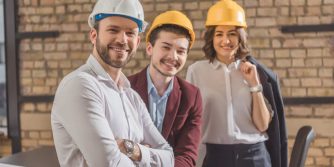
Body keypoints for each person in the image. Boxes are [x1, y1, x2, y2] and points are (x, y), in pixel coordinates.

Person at [51, 0, 174, 166]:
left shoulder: (132, 97)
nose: (122, 40)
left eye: (130, 33)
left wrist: (132, 150)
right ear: (94, 36)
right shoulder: (80, 86)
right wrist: (148, 156)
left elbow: (169, 157)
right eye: (113, 30)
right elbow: (108, 163)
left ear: (137, 42)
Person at [186, 0, 287, 167]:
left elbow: (262, 125)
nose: (226, 40)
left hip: (255, 156)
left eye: (232, 34)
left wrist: (254, 84)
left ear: (240, 37)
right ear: (211, 37)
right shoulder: (196, 71)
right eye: (219, 34)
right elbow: (191, 122)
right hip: (215, 157)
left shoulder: (254, 71)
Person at [128, 11, 203, 167]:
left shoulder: (192, 96)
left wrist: (143, 154)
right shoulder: (125, 88)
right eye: (166, 47)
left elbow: (187, 156)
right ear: (149, 48)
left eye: (181, 51)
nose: (173, 56)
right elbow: (118, 147)